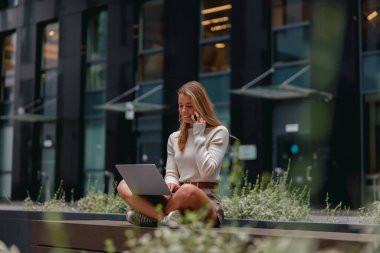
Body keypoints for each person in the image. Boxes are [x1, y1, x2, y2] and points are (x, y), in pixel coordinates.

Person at [117, 81, 229, 227]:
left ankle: (150, 215)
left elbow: (207, 173)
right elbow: (171, 172)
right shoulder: (174, 137)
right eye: (180, 106)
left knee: (188, 190)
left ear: (201, 105)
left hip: (206, 202)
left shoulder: (219, 132)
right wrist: (171, 182)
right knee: (124, 184)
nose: (184, 111)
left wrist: (199, 134)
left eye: (189, 106)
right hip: (176, 197)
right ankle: (164, 218)